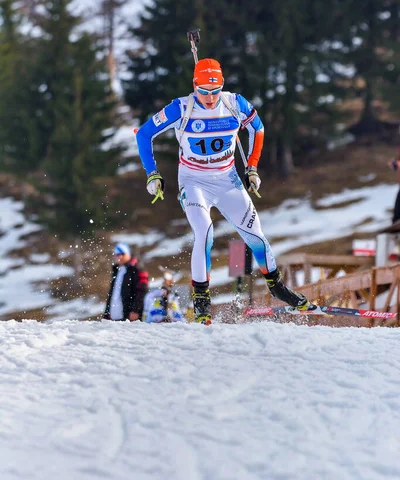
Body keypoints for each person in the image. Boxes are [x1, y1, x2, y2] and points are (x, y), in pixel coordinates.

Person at [136, 57, 312, 325]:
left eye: (214, 91)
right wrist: (153, 173)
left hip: (227, 180)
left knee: (256, 235)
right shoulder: (180, 108)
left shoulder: (234, 103)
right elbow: (143, 134)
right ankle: (201, 303)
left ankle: (277, 287)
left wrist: (252, 167)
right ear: (194, 86)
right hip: (194, 181)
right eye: (203, 92)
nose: (209, 98)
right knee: (204, 231)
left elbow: (259, 128)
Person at [103, 243, 148, 321]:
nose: (119, 257)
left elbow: (143, 290)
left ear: (128, 254)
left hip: (129, 317)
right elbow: (112, 293)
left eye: (122, 254)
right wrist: (107, 313)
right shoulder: (116, 270)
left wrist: (135, 310)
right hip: (114, 317)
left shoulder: (136, 269)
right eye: (117, 255)